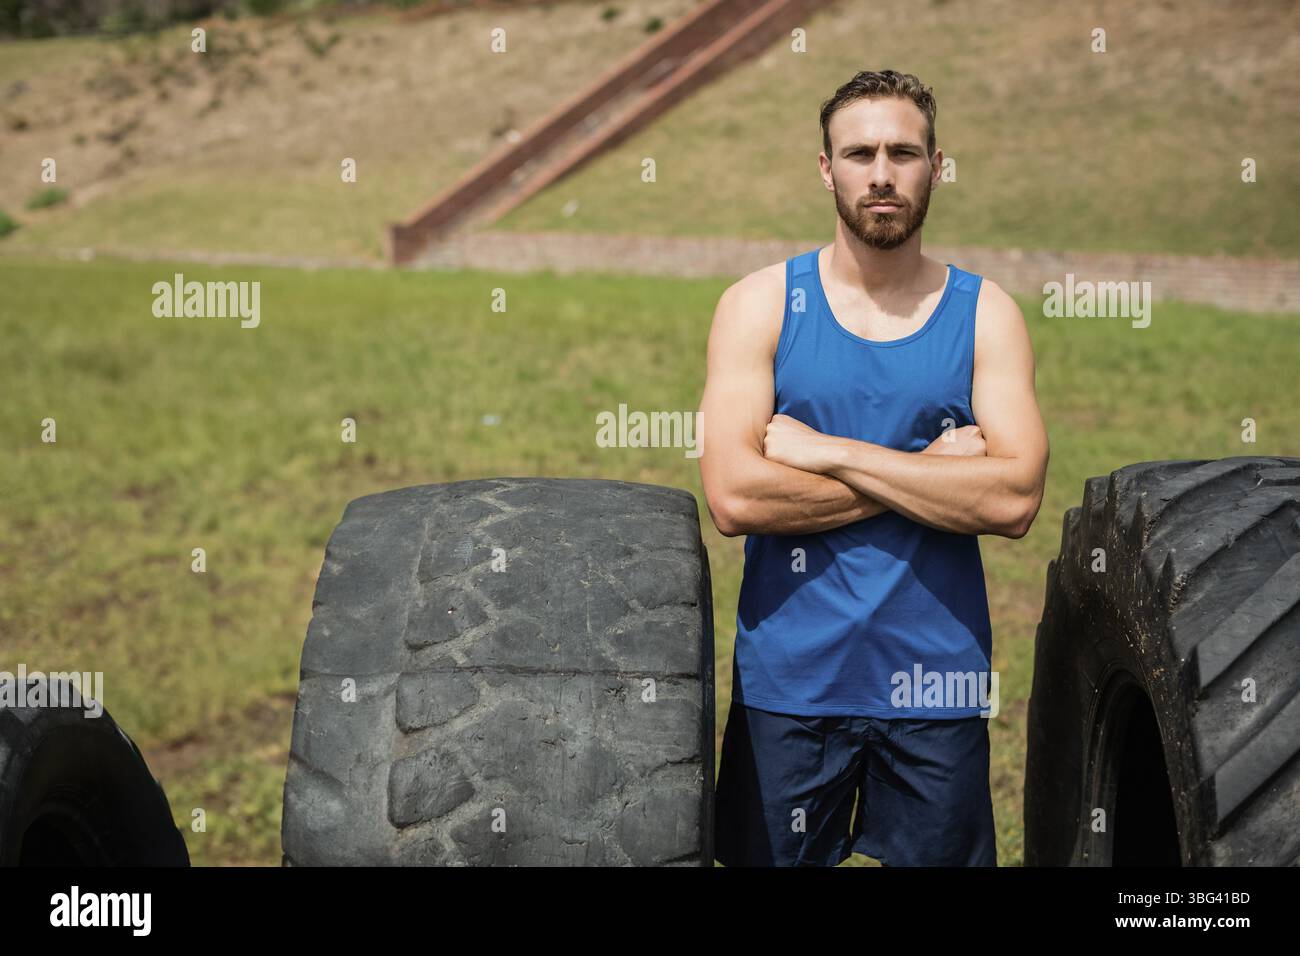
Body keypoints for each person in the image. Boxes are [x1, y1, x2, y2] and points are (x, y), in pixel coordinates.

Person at [697, 69, 1049, 866]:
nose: (882, 174)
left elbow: (1016, 497)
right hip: (790, 681)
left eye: (904, 152)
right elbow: (734, 494)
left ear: (936, 166)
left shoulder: (985, 312)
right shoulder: (757, 305)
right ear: (827, 168)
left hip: (938, 682)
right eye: (860, 153)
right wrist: (929, 476)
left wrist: (830, 454)